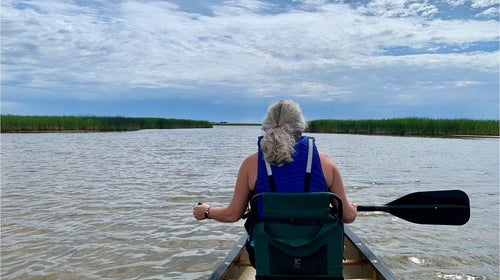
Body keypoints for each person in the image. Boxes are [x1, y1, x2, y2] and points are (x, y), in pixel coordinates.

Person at [193, 100, 357, 263]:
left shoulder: (250, 164)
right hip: (318, 260)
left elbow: (232, 214)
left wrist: (207, 211)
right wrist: (352, 208)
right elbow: (347, 216)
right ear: (300, 127)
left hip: (270, 259)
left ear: (267, 126)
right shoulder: (326, 163)